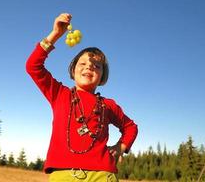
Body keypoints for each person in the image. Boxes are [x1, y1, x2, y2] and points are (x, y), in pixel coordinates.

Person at [26, 13, 138, 181]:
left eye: (96, 66)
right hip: (63, 173)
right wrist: (55, 34)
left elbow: (130, 126)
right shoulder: (59, 93)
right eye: (83, 63)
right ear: (73, 70)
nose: (89, 67)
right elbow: (33, 66)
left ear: (102, 76)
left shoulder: (108, 105)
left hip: (103, 174)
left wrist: (121, 147)